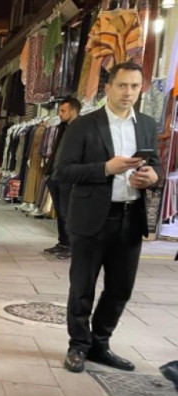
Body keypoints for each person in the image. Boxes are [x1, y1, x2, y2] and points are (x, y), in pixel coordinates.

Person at [56, 61, 161, 374]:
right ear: (108, 88)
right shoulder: (85, 125)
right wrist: (105, 168)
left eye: (134, 86)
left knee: (120, 288)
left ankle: (100, 344)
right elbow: (64, 171)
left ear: (141, 89)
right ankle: (78, 345)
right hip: (91, 219)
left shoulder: (146, 124)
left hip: (130, 217)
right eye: (122, 85)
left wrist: (153, 177)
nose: (128, 92)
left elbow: (156, 163)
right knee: (82, 287)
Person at [44, 97, 82, 259]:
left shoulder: (82, 128)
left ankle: (72, 246)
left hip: (69, 178)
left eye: (63, 110)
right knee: (60, 212)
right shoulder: (63, 127)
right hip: (56, 176)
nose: (60, 114)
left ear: (73, 110)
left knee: (68, 213)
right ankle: (63, 243)